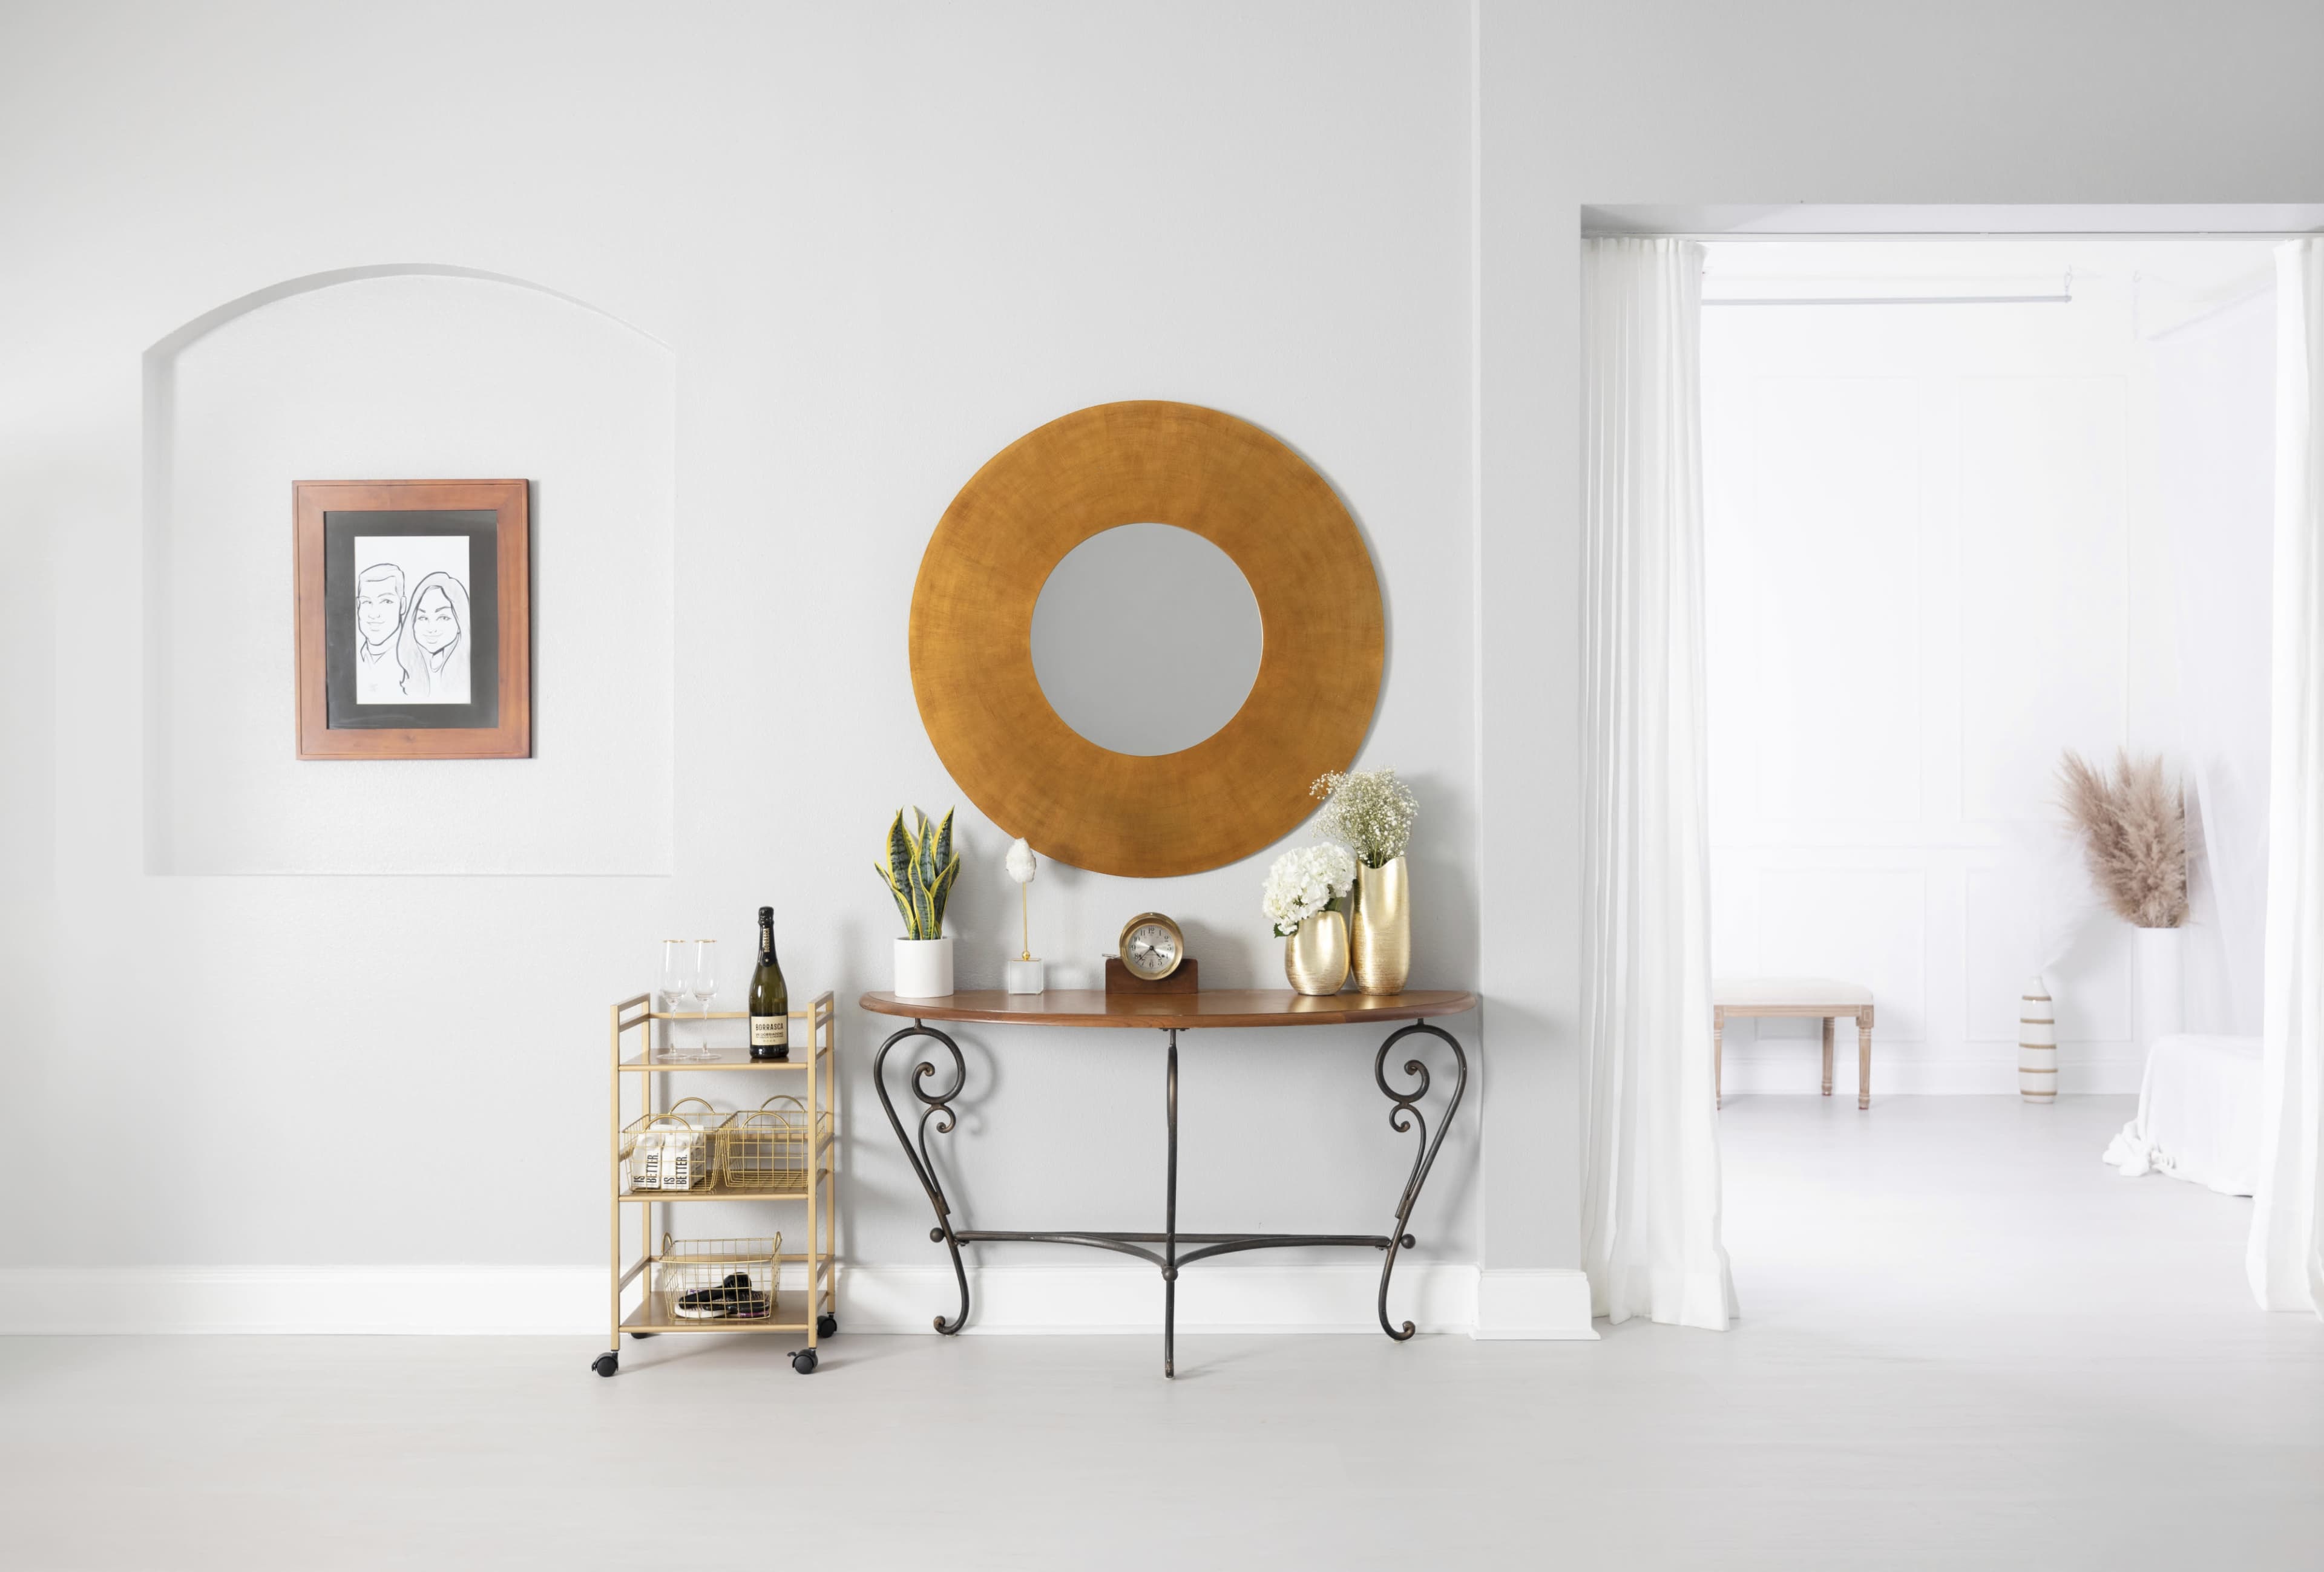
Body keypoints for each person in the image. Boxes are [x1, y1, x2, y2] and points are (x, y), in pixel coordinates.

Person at [398, 571, 471, 703]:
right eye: (423, 618)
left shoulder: (467, 675)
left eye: (443, 617)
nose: (431, 628)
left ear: (460, 621)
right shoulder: (409, 670)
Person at [353, 562, 407, 702]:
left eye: (386, 602)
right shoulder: (350, 658)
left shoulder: (416, 661)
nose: (374, 614)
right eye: (367, 602)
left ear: (402, 605)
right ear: (358, 606)